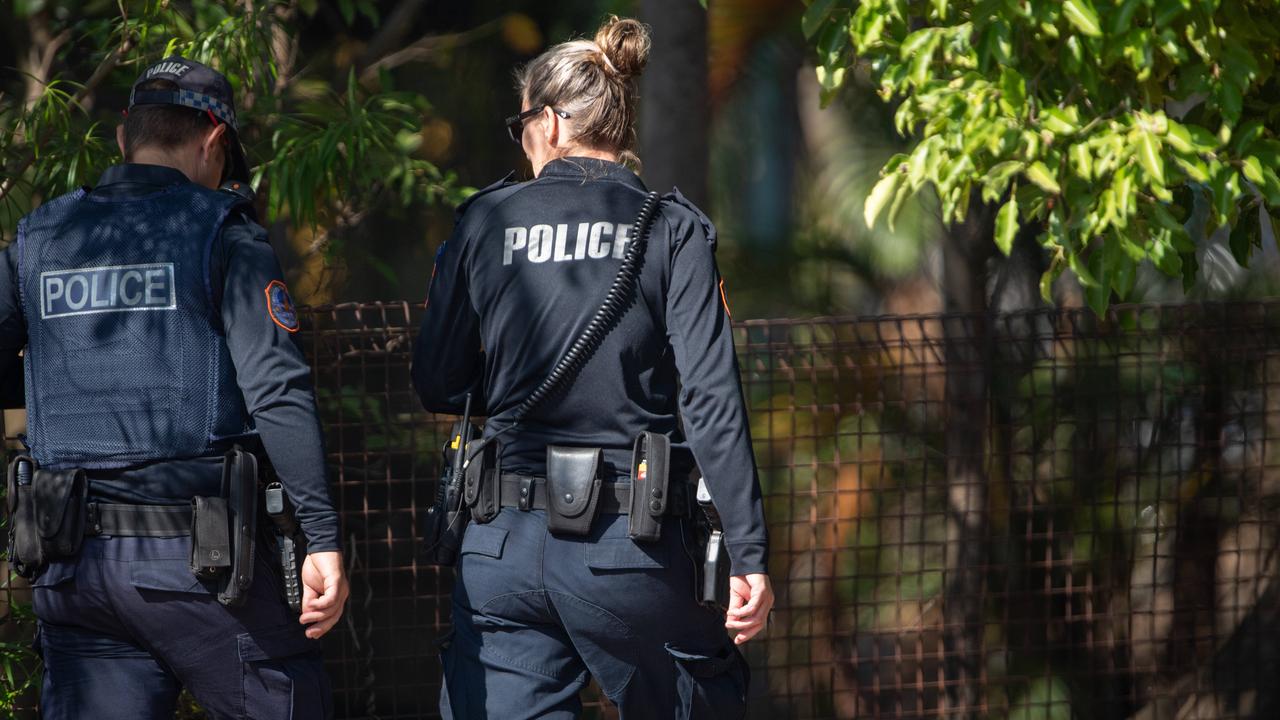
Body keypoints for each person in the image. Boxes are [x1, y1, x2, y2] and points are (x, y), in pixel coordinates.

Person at [412, 17, 773, 719]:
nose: (520, 139)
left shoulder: (484, 221)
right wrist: (749, 551)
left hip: (500, 552)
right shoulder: (672, 228)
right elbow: (711, 401)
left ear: (549, 122)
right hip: (631, 550)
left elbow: (438, 380)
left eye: (521, 123)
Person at [0, 57, 348, 718]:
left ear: (125, 132)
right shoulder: (222, 231)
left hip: (73, 569)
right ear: (214, 142)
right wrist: (322, 536)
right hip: (202, 570)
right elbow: (277, 393)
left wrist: (61, 375)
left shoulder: (38, 237)